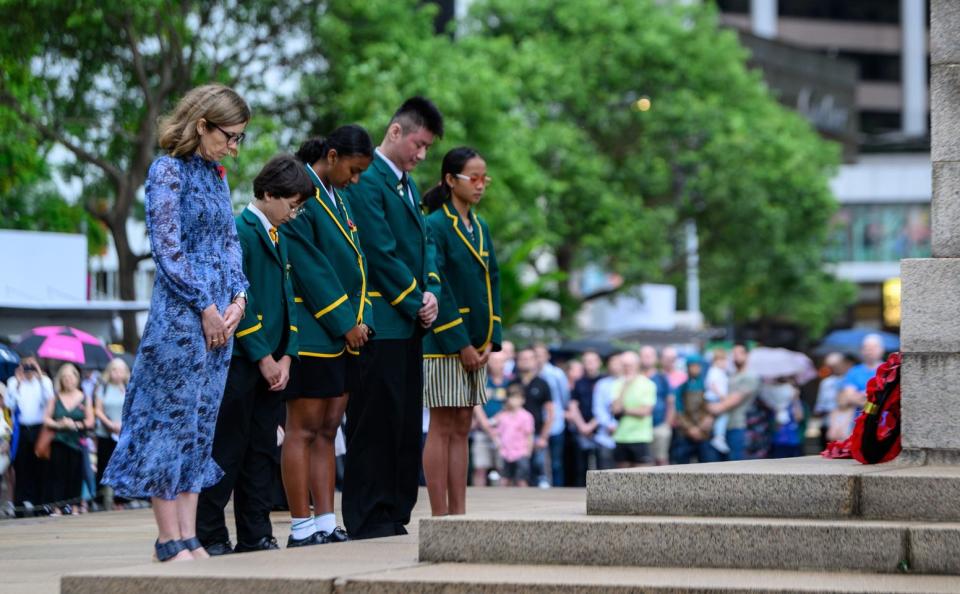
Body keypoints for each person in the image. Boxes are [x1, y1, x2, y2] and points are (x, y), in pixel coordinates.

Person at [103, 84, 250, 563]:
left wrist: (239, 299)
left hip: (220, 320)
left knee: (200, 424)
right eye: (229, 136)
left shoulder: (217, 176)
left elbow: (230, 242)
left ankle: (189, 534)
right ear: (201, 124)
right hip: (180, 318)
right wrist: (206, 304)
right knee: (168, 421)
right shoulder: (168, 171)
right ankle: (167, 538)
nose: (233, 146)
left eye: (239, 138)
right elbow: (168, 249)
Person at [196, 155, 312, 555]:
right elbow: (238, 299)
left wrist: (288, 356)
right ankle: (209, 533)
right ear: (267, 193)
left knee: (262, 451)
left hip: (274, 361)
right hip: (242, 361)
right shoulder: (241, 230)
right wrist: (264, 356)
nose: (294, 214)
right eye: (292, 204)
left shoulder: (278, 234)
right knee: (227, 448)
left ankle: (255, 532)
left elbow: (287, 300)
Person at [341, 97, 443, 539]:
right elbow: (379, 253)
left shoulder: (405, 185)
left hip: (408, 322)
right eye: (418, 145)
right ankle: (369, 513)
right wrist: (412, 299)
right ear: (396, 132)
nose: (422, 156)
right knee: (376, 423)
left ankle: (395, 508)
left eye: (427, 149)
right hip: (381, 321)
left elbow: (425, 249)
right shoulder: (369, 181)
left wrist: (432, 293)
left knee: (402, 423)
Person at [279, 127, 376, 546]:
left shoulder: (339, 198)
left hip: (346, 335)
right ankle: (301, 525)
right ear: (332, 157)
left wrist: (364, 319)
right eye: (353, 170)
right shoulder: (303, 195)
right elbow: (310, 268)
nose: (355, 180)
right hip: (315, 331)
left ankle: (325, 521)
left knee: (328, 429)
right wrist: (345, 322)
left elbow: (359, 265)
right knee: (303, 428)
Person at [421, 146, 503, 515]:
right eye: (475, 177)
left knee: (463, 425)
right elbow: (439, 287)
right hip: (444, 342)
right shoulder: (435, 224)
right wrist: (461, 343)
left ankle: (460, 513)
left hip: (478, 341)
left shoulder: (481, 225)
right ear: (451, 180)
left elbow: (493, 282)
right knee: (443, 424)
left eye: (485, 177)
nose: (481, 185)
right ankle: (440, 514)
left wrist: (490, 340)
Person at [42, 363, 94, 514]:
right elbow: (46, 418)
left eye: (70, 377)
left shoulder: (85, 398)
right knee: (58, 474)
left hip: (77, 441)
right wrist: (59, 424)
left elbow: (90, 421)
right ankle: (57, 507)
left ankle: (74, 506)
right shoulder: (55, 397)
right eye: (64, 378)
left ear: (76, 379)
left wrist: (75, 424)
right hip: (59, 439)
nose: (68, 381)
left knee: (76, 474)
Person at [4, 354, 53, 512]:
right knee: (21, 466)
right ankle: (20, 502)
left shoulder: (44, 381)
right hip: (22, 429)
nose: (29, 369)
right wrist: (18, 384)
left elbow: (49, 400)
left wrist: (39, 376)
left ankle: (40, 502)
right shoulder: (13, 382)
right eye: (26, 365)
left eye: (32, 365)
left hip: (39, 428)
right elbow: (9, 404)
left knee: (40, 466)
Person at [705, 344, 761, 461]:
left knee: (736, 466)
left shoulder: (750, 376)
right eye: (733, 354)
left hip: (738, 426)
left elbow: (733, 400)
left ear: (747, 355)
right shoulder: (729, 375)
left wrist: (712, 408)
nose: (735, 357)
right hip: (722, 426)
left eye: (738, 353)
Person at [510, 347, 553, 487]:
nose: (525, 362)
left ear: (536, 361)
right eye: (522, 358)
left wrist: (543, 437)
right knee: (519, 474)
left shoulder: (542, 383)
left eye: (529, 358)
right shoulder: (512, 383)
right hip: (515, 438)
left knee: (540, 472)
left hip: (536, 434)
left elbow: (550, 412)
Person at [93, 358, 130, 508]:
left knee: (123, 465)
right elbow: (98, 409)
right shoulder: (103, 388)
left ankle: (120, 499)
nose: (117, 373)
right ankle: (100, 499)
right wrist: (109, 424)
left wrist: (122, 425)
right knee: (103, 464)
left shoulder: (128, 387)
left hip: (123, 433)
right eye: (114, 370)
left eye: (121, 370)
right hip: (105, 432)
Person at [671, 355, 721, 464]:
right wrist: (690, 428)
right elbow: (679, 410)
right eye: (692, 366)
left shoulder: (707, 386)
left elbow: (712, 407)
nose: (694, 369)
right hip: (686, 432)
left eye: (697, 366)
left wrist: (704, 424)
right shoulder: (682, 388)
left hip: (704, 432)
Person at [609, 352, 656, 468]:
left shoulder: (647, 384)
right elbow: (615, 409)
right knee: (622, 477)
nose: (627, 368)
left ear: (637, 365)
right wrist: (625, 386)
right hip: (621, 437)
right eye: (624, 365)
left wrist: (624, 410)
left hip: (640, 437)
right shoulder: (617, 384)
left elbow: (645, 411)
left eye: (629, 365)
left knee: (642, 476)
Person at [567, 351, 606, 485]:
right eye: (586, 361)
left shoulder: (605, 381)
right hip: (582, 429)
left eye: (592, 360)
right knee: (581, 467)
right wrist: (582, 425)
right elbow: (573, 404)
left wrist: (592, 425)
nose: (589, 364)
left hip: (601, 429)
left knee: (603, 466)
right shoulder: (579, 382)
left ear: (599, 362)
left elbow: (606, 408)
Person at [533, 343, 568, 487]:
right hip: (537, 423)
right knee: (538, 461)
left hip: (555, 422)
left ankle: (558, 488)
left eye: (541, 355)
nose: (539, 358)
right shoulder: (531, 374)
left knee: (556, 462)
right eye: (536, 355)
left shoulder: (557, 374)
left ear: (547, 356)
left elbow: (564, 396)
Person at [473, 351, 509, 486]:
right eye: (494, 361)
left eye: (500, 361)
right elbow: (476, 404)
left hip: (504, 431)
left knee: (503, 468)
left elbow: (512, 403)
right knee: (480, 467)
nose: (497, 364)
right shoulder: (482, 380)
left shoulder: (510, 381)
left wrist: (496, 420)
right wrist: (485, 424)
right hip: (482, 430)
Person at [639, 346, 675, 466]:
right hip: (640, 427)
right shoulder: (637, 379)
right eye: (644, 356)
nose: (646, 359)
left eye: (649, 356)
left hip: (659, 425)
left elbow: (670, 401)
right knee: (645, 462)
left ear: (655, 359)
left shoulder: (662, 378)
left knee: (661, 459)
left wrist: (667, 424)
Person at [494, 384, 535, 487]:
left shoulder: (526, 416)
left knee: (521, 480)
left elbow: (529, 435)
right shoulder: (502, 416)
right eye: (512, 398)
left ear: (523, 400)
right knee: (504, 479)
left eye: (517, 398)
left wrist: (528, 451)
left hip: (521, 452)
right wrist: (499, 445)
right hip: (506, 453)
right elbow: (497, 432)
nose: (514, 401)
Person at [591, 353, 623, 470]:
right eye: (612, 363)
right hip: (605, 436)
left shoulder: (628, 383)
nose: (615, 366)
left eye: (618, 363)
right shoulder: (602, 384)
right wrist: (609, 424)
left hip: (626, 435)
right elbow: (598, 408)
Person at [813, 352, 852, 448]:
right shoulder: (826, 382)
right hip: (827, 423)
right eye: (832, 365)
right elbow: (819, 406)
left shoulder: (850, 380)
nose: (836, 368)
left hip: (846, 424)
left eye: (838, 365)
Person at [839, 334, 886, 412]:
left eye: (874, 347)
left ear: (882, 349)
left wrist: (860, 396)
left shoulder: (889, 370)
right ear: (861, 350)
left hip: (882, 422)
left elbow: (887, 401)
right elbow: (847, 398)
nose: (869, 350)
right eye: (866, 347)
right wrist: (874, 409)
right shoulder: (854, 371)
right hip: (856, 421)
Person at [704, 348, 730, 455]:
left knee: (720, 417)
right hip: (715, 398)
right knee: (722, 416)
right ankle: (718, 437)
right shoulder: (714, 371)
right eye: (723, 360)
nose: (725, 363)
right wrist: (722, 396)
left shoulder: (720, 371)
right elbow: (713, 385)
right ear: (716, 360)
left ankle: (719, 436)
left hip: (717, 398)